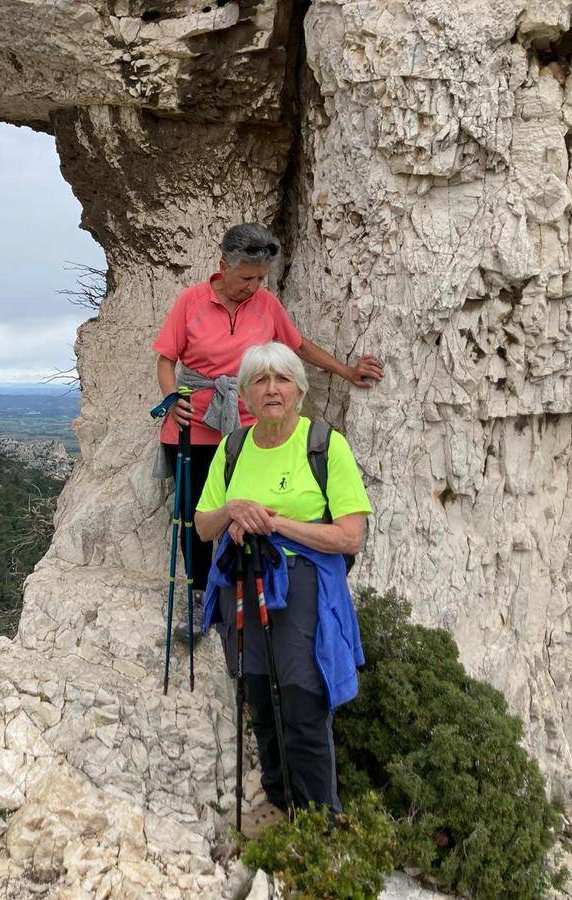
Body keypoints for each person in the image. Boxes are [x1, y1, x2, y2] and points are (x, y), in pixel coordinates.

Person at [152, 223, 381, 626]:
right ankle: (200, 596)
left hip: (246, 430)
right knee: (197, 516)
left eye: (260, 278)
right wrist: (172, 401)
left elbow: (298, 346)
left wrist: (346, 371)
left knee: (249, 511)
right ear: (223, 267)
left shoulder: (266, 305)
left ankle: (243, 592)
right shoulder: (191, 301)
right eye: (246, 278)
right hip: (193, 425)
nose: (253, 287)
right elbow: (166, 359)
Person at [194, 342, 371, 834]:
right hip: (243, 582)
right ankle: (276, 800)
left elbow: (349, 535)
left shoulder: (324, 444)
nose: (272, 389)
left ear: (299, 388)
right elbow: (203, 525)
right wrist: (233, 511)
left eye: (282, 379)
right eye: (260, 380)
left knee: (301, 697)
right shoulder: (233, 448)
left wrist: (272, 522)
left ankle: (321, 821)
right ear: (246, 394)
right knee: (257, 689)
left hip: (299, 588)